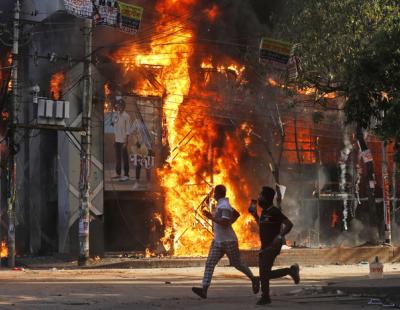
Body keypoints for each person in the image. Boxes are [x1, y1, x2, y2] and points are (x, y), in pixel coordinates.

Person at [192, 184, 260, 299]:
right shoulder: (222, 204)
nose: (213, 195)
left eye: (214, 193)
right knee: (210, 263)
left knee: (237, 264)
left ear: (218, 194)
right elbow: (236, 214)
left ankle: (254, 279)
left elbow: (224, 222)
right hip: (218, 241)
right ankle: (204, 289)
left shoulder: (224, 206)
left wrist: (211, 217)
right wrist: (228, 223)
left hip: (229, 241)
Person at [249, 186, 300, 305]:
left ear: (266, 198)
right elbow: (262, 226)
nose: (259, 197)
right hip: (265, 246)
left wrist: (280, 236)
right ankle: (290, 271)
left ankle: (265, 295)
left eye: (261, 195)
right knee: (265, 274)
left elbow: (289, 224)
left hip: (272, 246)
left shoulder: (274, 211)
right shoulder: (265, 212)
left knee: (264, 273)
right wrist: (255, 215)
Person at [112, 100, 130, 181]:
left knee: (125, 158)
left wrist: (126, 141)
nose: (118, 107)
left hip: (123, 140)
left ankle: (126, 175)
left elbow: (128, 130)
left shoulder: (126, 116)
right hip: (117, 140)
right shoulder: (116, 115)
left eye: (120, 105)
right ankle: (118, 173)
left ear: (123, 106)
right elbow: (114, 125)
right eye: (118, 106)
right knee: (117, 158)